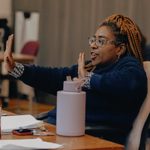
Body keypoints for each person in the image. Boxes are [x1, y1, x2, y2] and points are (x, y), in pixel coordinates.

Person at [4, 14, 147, 145]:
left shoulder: (130, 67)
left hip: (92, 138)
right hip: (58, 131)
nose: (93, 45)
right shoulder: (91, 67)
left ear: (120, 49)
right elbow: (54, 77)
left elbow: (127, 83)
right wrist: (16, 68)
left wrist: (87, 78)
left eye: (101, 41)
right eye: (93, 40)